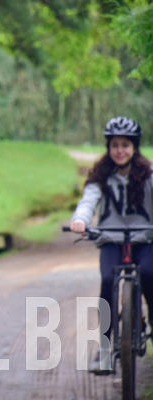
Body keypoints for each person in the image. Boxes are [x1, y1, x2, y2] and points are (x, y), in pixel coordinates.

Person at [70, 116, 153, 373]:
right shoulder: (101, 176)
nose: (120, 151)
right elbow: (88, 201)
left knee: (149, 274)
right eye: (115, 145)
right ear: (108, 147)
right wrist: (80, 220)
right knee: (107, 281)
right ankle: (105, 348)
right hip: (112, 240)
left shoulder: (149, 174)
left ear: (134, 147)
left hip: (145, 239)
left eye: (125, 145)